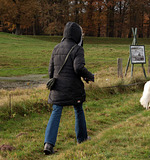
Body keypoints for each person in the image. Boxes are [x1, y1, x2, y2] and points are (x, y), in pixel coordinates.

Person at [44, 22, 94, 155]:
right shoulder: (78, 49)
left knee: (56, 111)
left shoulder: (56, 48)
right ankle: (82, 139)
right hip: (73, 89)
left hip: (57, 88)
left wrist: (55, 82)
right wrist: (90, 76)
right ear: (77, 35)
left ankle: (48, 144)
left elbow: (50, 71)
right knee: (78, 109)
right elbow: (78, 68)